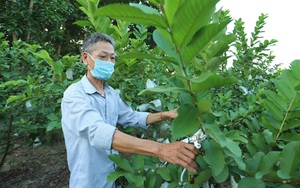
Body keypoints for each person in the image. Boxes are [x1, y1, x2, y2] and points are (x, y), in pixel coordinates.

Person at [61, 32, 199, 188]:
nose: (109, 62)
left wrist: (164, 115)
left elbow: (131, 116)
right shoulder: (74, 95)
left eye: (112, 58)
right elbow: (98, 132)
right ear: (86, 58)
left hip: (113, 176)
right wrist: (160, 149)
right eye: (103, 57)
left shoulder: (111, 93)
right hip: (89, 181)